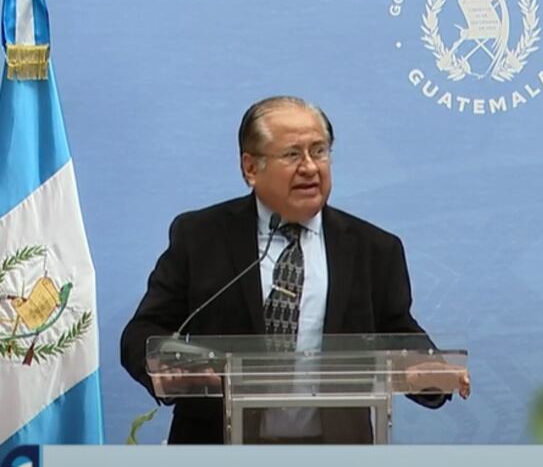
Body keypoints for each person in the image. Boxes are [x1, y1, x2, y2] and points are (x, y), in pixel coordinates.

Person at [120, 96, 469, 444]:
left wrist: (431, 372)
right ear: (250, 168)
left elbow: (398, 333)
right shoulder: (201, 236)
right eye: (292, 155)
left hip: (335, 449)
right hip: (218, 442)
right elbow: (143, 330)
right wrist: (166, 366)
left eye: (319, 151)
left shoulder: (373, 248)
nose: (310, 167)